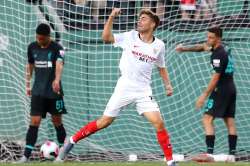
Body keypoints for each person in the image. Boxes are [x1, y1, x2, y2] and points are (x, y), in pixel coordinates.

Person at [56, 8, 176, 166]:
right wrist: (112, 16)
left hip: (143, 90)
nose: (140, 20)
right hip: (125, 86)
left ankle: (171, 162)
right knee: (104, 122)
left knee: (159, 122)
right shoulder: (130, 36)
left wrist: (168, 85)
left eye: (144, 18)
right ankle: (72, 141)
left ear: (153, 24)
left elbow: (161, 66)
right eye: (139, 18)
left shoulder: (159, 45)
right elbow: (106, 37)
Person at [176, 27, 237, 161]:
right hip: (231, 88)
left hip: (221, 89)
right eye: (207, 36)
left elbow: (216, 77)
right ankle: (232, 156)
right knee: (229, 121)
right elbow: (202, 47)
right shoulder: (223, 48)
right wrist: (184, 48)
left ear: (218, 38)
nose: (208, 39)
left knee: (207, 118)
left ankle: (209, 154)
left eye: (211, 37)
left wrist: (204, 95)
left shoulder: (218, 54)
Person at [17, 23, 67, 163]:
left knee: (57, 121)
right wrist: (27, 84)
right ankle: (25, 156)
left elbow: (59, 64)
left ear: (48, 37)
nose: (39, 40)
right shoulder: (32, 47)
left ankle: (63, 154)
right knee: (34, 121)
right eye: (37, 38)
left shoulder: (57, 48)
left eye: (42, 39)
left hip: (54, 92)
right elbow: (30, 65)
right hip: (38, 92)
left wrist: (57, 80)